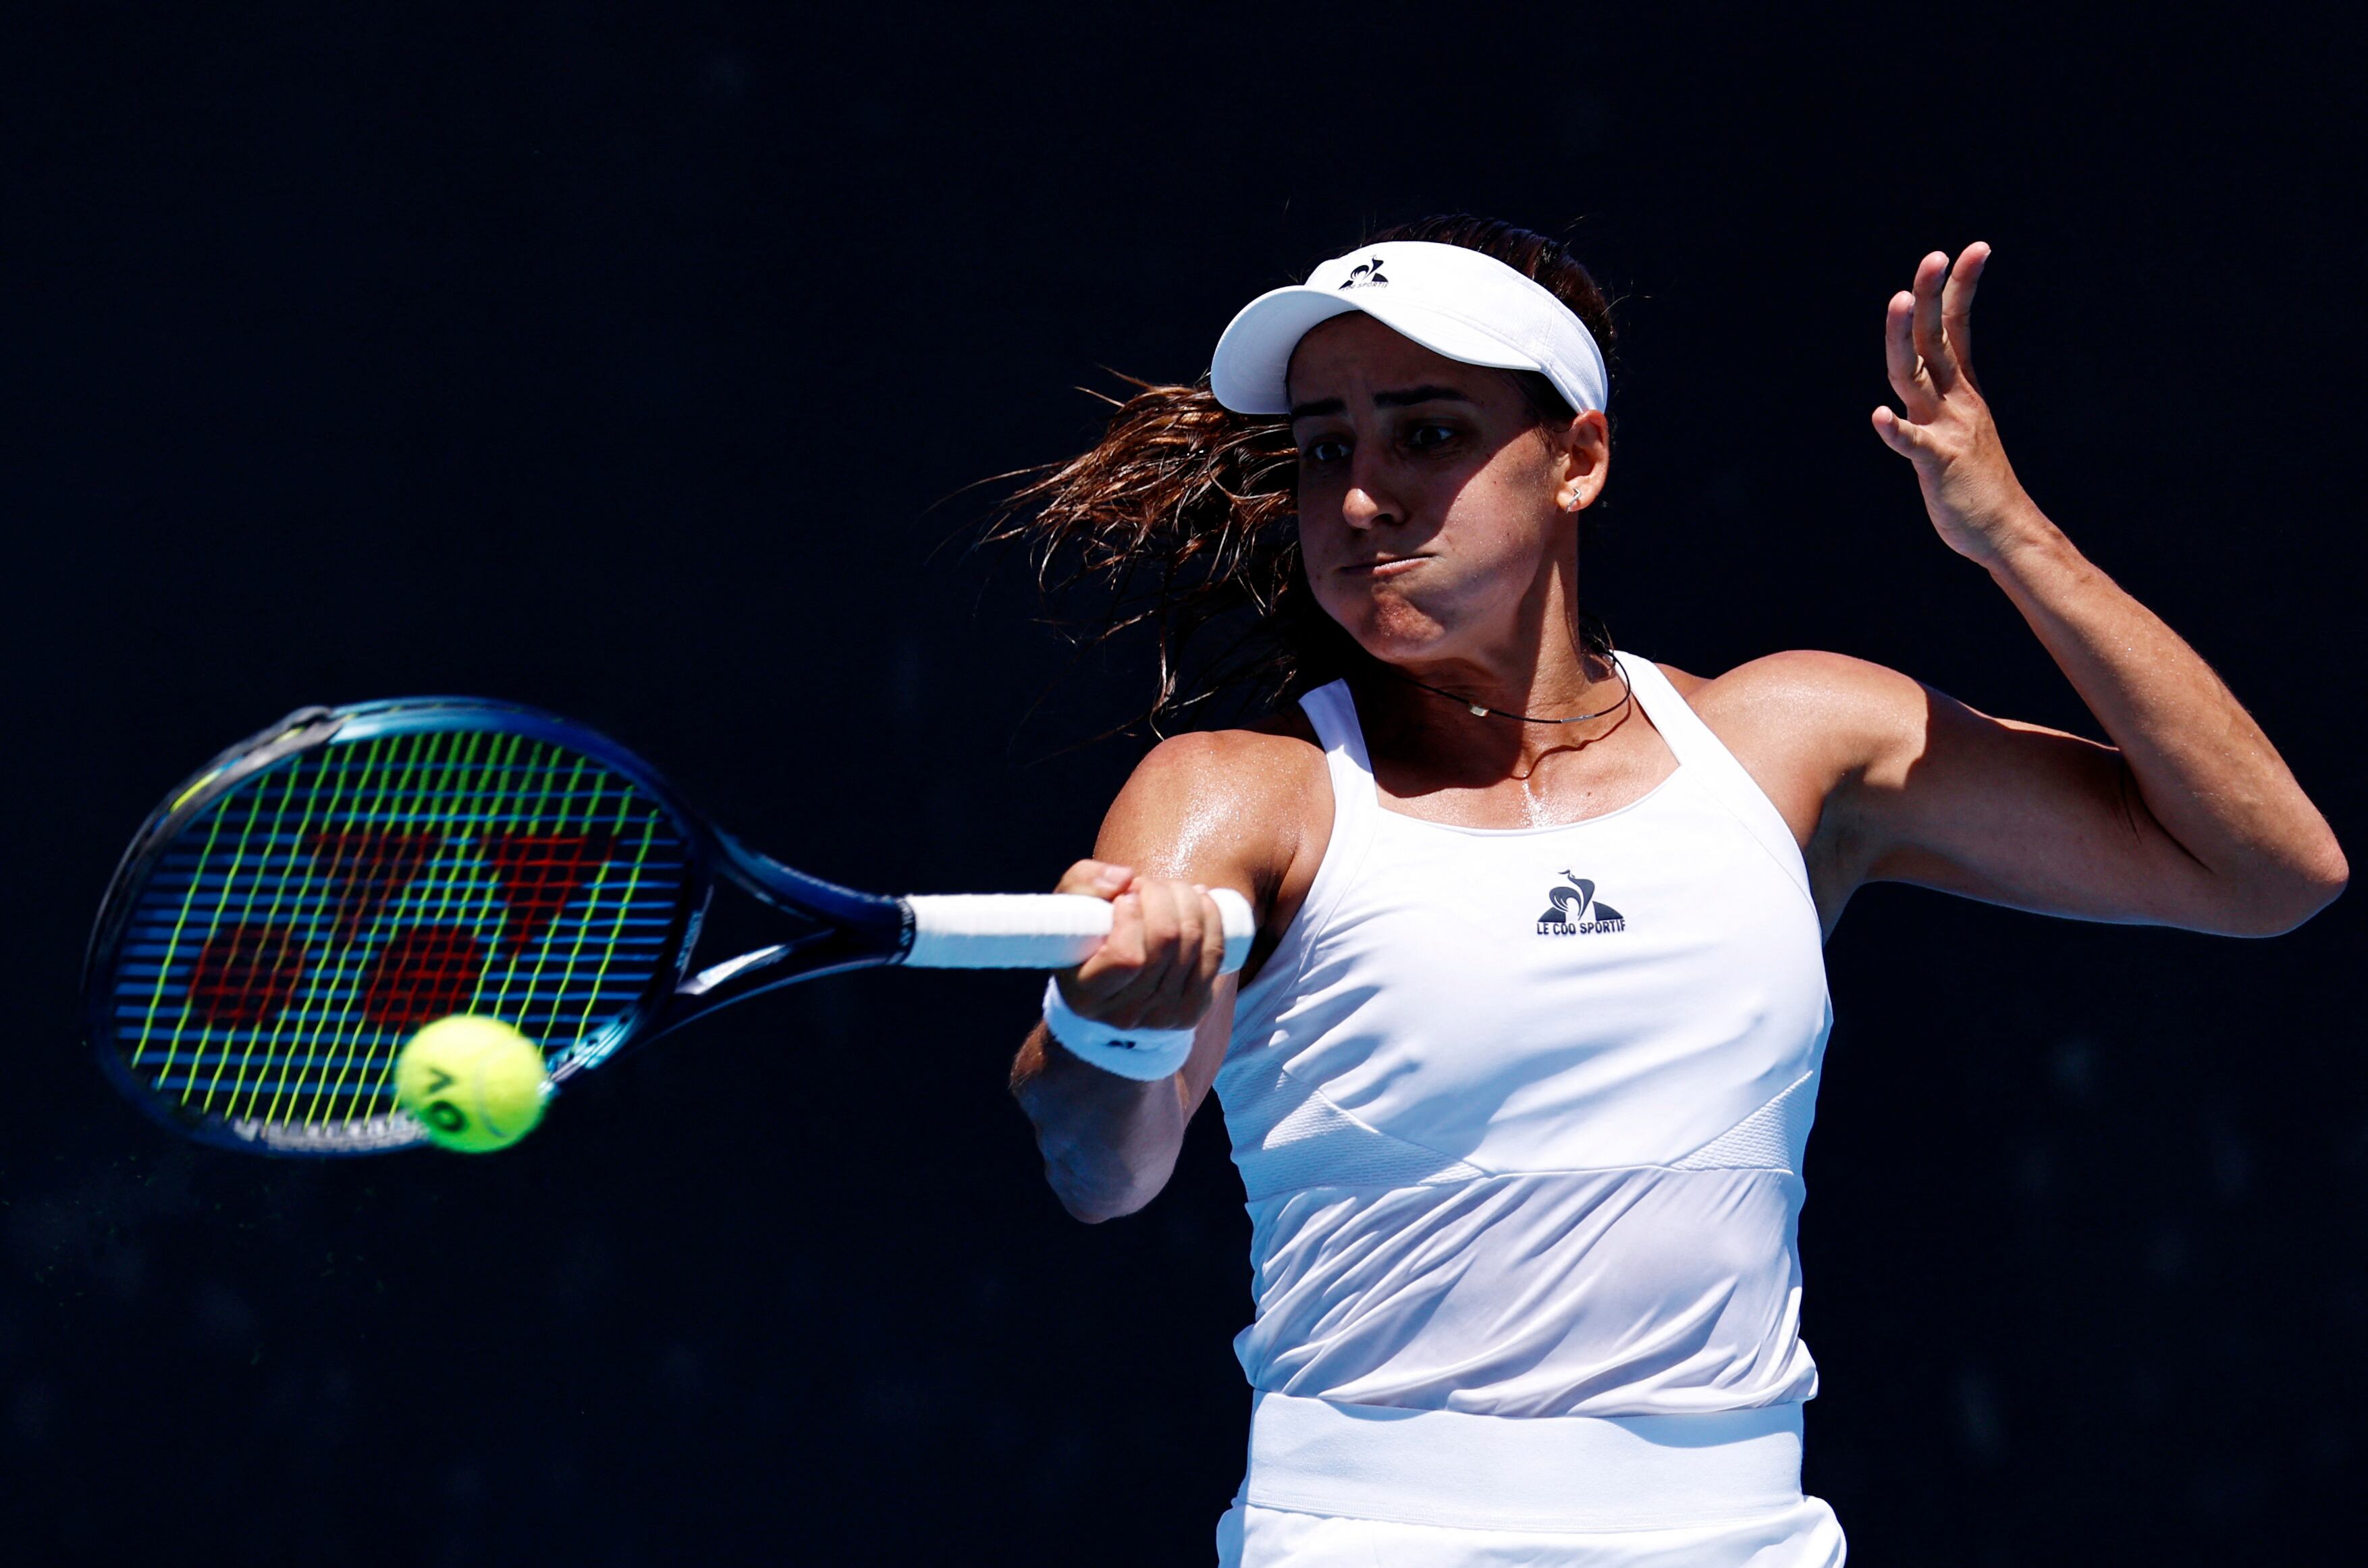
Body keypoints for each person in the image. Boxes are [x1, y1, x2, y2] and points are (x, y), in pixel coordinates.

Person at [1000, 215, 2344, 1567]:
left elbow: (2263, 868)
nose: (1358, 499)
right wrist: (1112, 1028)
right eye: (1323, 449)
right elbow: (1100, 1170)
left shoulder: (1789, 743)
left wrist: (2012, 540)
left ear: (1576, 458)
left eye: (1424, 434)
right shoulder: (1238, 796)